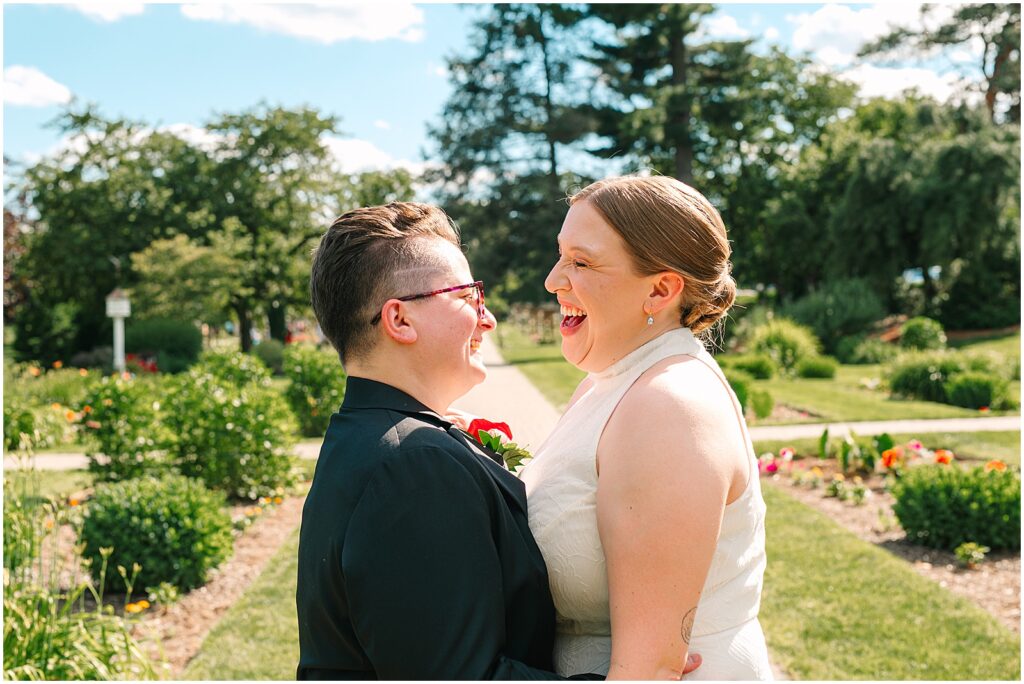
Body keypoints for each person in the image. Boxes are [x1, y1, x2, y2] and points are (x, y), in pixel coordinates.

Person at [296, 202, 578, 679]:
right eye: (469, 297)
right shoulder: (413, 465)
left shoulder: (367, 437)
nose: (486, 321)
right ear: (400, 320)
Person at [518, 175, 772, 680]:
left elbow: (649, 669)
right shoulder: (605, 384)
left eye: (581, 262)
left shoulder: (668, 407)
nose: (552, 280)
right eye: (560, 254)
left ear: (660, 289)